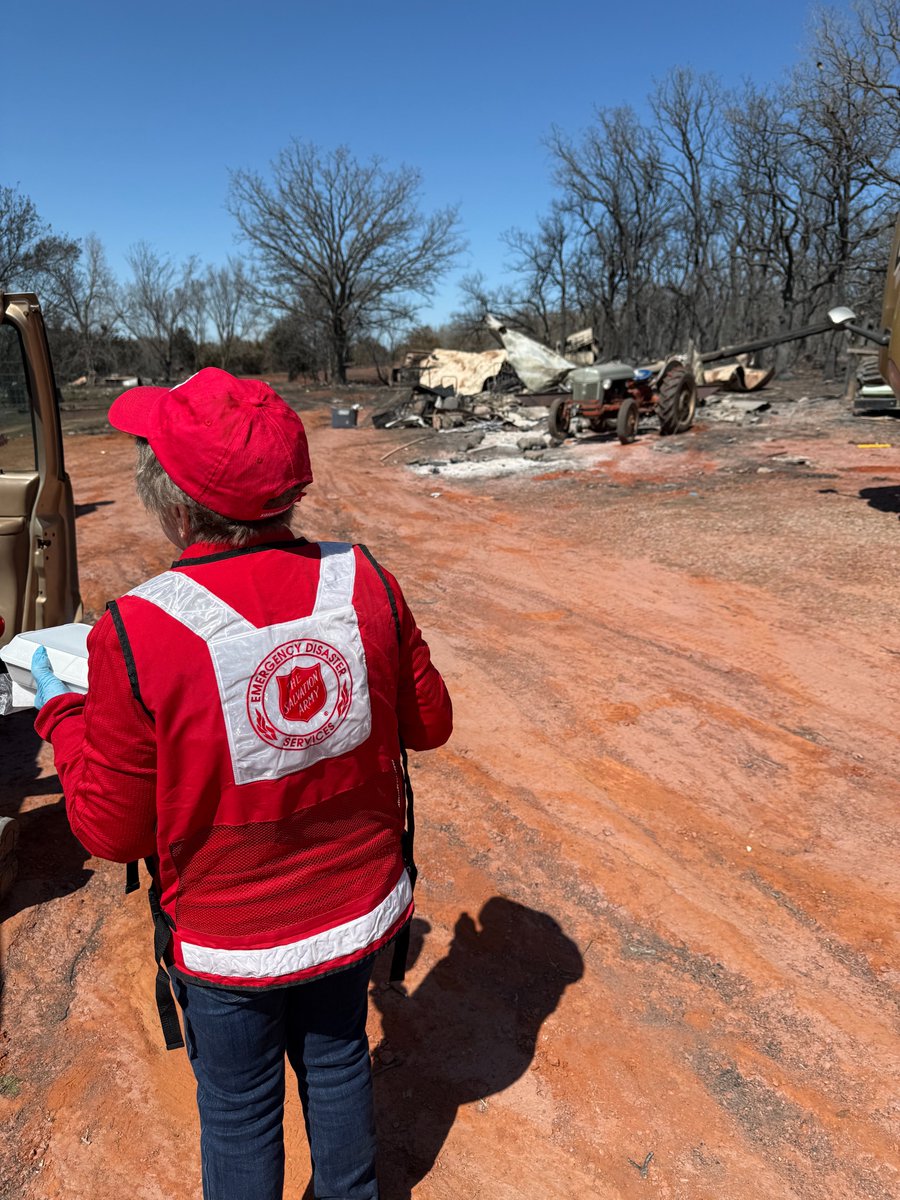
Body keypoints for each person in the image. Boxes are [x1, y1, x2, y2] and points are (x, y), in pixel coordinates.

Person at [32, 367, 453, 1200]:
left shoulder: (136, 629)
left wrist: (62, 713)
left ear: (179, 505)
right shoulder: (362, 580)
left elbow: (110, 833)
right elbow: (429, 724)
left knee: (237, 1108)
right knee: (337, 1063)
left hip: (229, 937)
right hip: (350, 910)